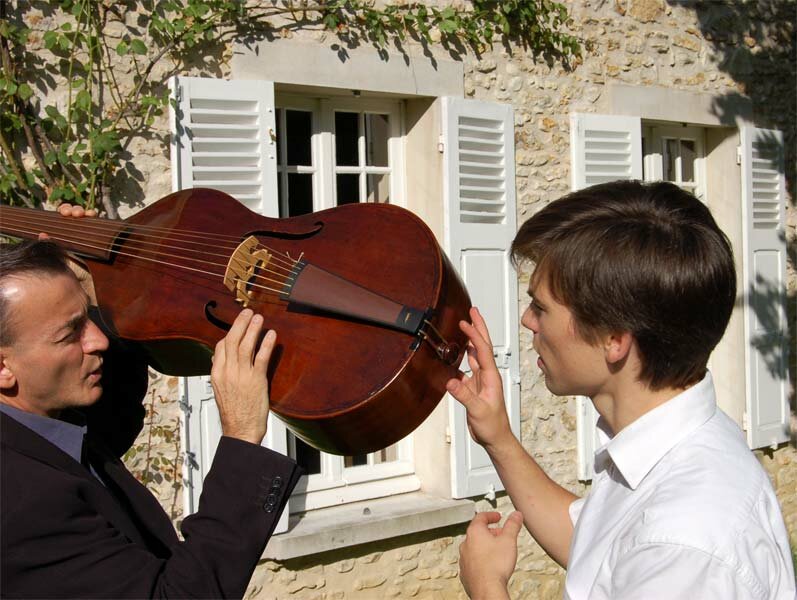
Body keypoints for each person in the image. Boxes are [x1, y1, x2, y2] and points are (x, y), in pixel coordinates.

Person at [448, 181, 795, 599]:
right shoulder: (672, 442)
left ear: (615, 339)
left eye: (541, 307)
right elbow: (606, 551)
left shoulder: (685, 544)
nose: (527, 320)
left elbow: (650, 545)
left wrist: (487, 585)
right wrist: (498, 436)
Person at [0, 237, 302, 598]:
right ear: (3, 367)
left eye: (87, 318)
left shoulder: (41, 428)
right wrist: (241, 435)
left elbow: (116, 415)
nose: (98, 340)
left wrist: (102, 289)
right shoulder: (20, 504)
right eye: (71, 333)